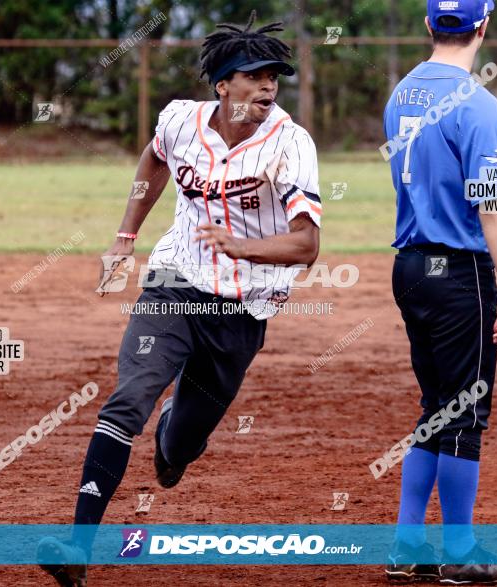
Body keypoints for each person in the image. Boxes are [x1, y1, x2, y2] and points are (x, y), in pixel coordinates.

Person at [37, 11, 322, 587]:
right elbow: (153, 161)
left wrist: (243, 248)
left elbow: (308, 245)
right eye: (255, 74)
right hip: (174, 281)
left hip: (243, 306)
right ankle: (77, 547)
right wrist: (124, 239)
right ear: (223, 85)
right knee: (127, 400)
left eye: (275, 75)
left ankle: (174, 438)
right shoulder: (179, 122)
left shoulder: (290, 144)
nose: (269, 84)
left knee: (183, 443)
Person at [382, 0, 497, 583]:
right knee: (466, 413)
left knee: (437, 409)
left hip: (411, 267)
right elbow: (490, 203)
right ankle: (461, 553)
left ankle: (407, 545)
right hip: (458, 271)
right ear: (484, 26)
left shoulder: (401, 93)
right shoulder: (479, 103)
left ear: (428, 26)